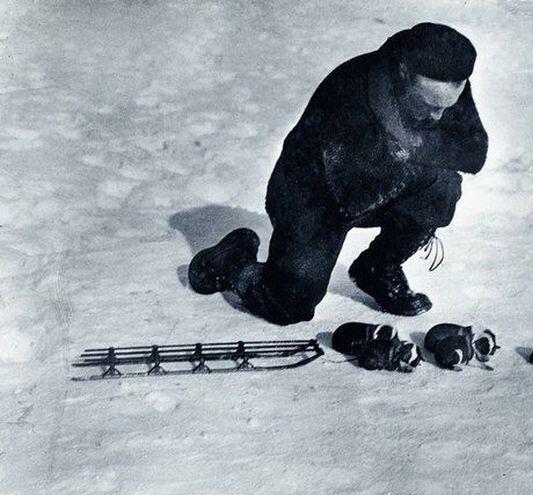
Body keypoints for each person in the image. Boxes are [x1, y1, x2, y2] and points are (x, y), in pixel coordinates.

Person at [188, 22, 488, 325]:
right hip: (313, 195)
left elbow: (474, 152)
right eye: (428, 105)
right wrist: (418, 152)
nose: (438, 116)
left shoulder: (441, 81)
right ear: (403, 72)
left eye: (445, 107)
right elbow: (350, 196)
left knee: (443, 186)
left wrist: (411, 148)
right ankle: (234, 263)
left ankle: (378, 267)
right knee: (289, 305)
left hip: (379, 182)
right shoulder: (350, 89)